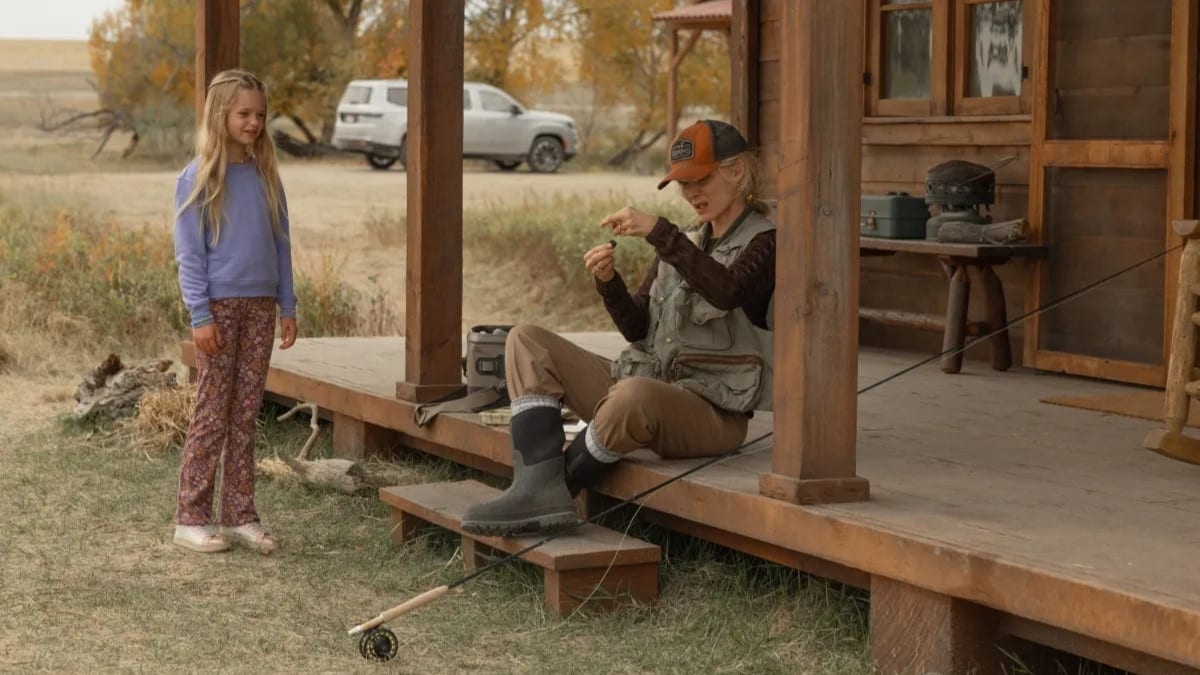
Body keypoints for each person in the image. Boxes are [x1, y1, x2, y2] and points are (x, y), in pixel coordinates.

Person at [461, 120, 775, 536]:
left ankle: (552, 491)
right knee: (526, 339)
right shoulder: (684, 241)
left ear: (736, 171)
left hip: (712, 414)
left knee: (631, 395)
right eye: (682, 184)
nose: (691, 193)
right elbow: (637, 326)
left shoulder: (766, 241)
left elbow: (727, 290)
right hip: (647, 391)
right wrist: (609, 283)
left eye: (699, 179)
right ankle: (534, 489)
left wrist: (658, 231)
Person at [171, 69, 298, 554]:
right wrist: (200, 316)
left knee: (246, 414)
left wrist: (287, 305)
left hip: (262, 307)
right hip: (219, 310)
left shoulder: (267, 177)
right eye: (244, 114)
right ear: (220, 113)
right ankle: (191, 516)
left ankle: (241, 514)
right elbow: (190, 254)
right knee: (212, 413)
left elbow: (281, 245)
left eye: (260, 115)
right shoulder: (198, 177)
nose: (254, 123)